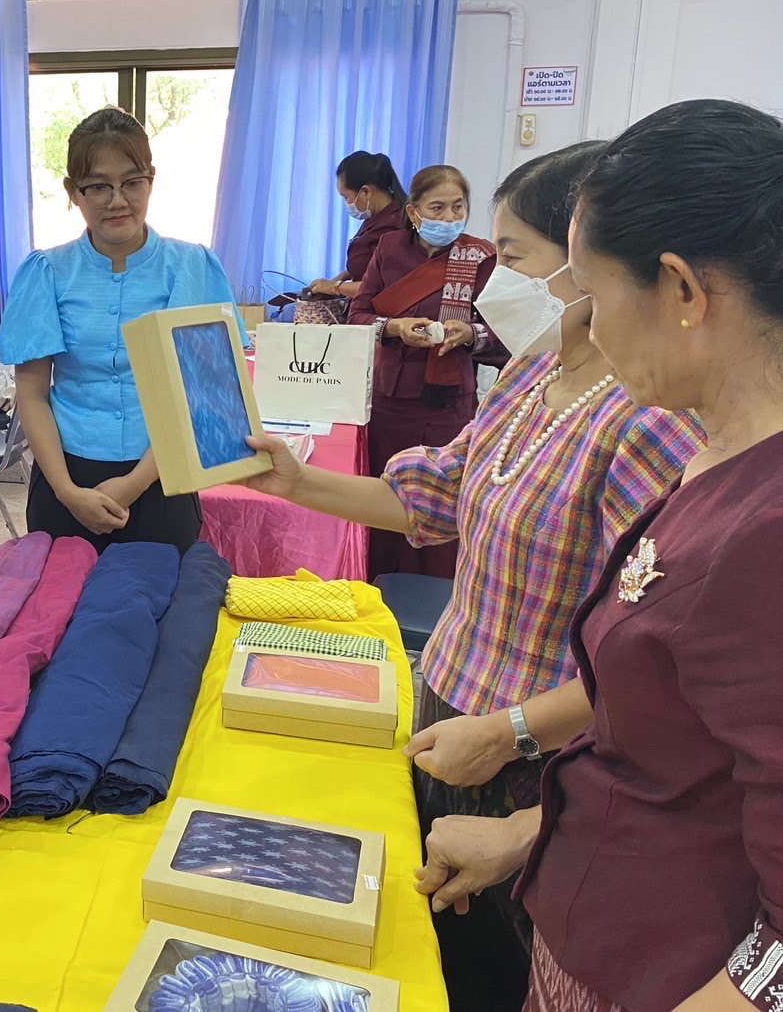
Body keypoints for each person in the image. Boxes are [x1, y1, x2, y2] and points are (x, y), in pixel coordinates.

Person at [240, 142, 702, 1012]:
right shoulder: (536, 369)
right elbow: (439, 493)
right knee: (433, 959)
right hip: (454, 709)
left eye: (514, 257)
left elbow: (648, 654)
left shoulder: (645, 420)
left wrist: (514, 734)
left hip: (534, 752)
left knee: (498, 971)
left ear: (589, 262)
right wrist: (296, 482)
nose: (494, 277)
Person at [412, 99, 783, 1012]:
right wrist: (533, 835)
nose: (583, 322)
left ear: (683, 291)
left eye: (590, 289)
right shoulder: (716, 451)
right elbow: (666, 755)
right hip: (596, 922)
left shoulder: (765, 528)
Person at [0, 107, 248, 555]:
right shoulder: (46, 272)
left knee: (159, 611)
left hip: (160, 478)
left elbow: (202, 394)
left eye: (133, 182)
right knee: (59, 611)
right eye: (98, 186)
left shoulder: (191, 266)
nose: (118, 200)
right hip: (65, 478)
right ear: (74, 192)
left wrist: (133, 485)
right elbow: (32, 392)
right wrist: (69, 492)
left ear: (152, 180)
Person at [349, 163, 507, 578]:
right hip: (390, 401)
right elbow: (357, 315)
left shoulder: (481, 257)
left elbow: (505, 334)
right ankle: (378, 586)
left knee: (440, 503)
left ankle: (433, 598)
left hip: (448, 406)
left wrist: (470, 334)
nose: (449, 218)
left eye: (458, 207)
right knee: (386, 497)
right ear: (415, 211)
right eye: (437, 208)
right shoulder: (389, 250)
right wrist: (395, 328)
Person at [306, 151, 408, 299]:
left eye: (346, 197)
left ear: (366, 192)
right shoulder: (375, 218)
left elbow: (383, 287)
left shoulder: (394, 226)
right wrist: (336, 280)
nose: (347, 203)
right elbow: (366, 263)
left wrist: (335, 287)